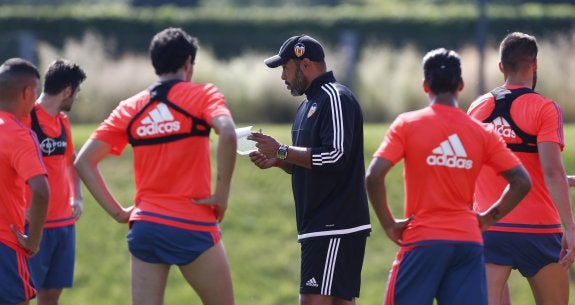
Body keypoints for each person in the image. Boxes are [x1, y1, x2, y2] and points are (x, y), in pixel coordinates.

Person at [74, 27, 237, 305]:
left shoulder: (130, 107)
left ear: (155, 63)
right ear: (188, 63)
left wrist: (118, 213)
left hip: (147, 225)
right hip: (193, 223)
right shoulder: (204, 95)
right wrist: (221, 195)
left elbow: (84, 162)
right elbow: (229, 133)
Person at [365, 48, 532, 305]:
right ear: (461, 85)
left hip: (423, 242)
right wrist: (488, 218)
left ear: (425, 86)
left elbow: (374, 176)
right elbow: (521, 181)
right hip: (468, 243)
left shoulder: (408, 124)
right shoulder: (482, 132)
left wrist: (388, 223)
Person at [248, 34, 371, 305]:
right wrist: (280, 161)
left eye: (285, 68)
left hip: (334, 224)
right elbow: (312, 162)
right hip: (320, 225)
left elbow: (336, 156)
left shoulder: (335, 98)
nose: (283, 77)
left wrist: (281, 150)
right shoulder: (306, 106)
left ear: (304, 64)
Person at [467, 32, 575, 305]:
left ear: (501, 67)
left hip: (491, 227)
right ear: (535, 64)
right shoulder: (546, 109)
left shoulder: (477, 108)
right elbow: (551, 172)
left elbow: (471, 170)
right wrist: (570, 227)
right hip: (539, 231)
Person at [20, 59, 86, 305]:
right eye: (77, 92)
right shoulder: (25, 119)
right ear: (67, 91)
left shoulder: (62, 122)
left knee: (51, 297)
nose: (76, 98)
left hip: (64, 225)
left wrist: (76, 195)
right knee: (22, 294)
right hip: (34, 224)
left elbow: (72, 161)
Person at [0, 58, 50, 305]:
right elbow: (41, 191)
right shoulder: (19, 135)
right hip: (5, 245)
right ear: (27, 92)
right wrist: (33, 241)